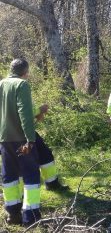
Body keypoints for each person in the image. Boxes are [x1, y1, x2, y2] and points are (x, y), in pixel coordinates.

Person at [0, 59, 41, 226]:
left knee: (9, 176)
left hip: (4, 138)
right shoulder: (22, 85)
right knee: (31, 175)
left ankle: (12, 214)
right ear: (26, 71)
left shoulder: (1, 83)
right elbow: (24, 112)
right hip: (20, 139)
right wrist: (30, 138)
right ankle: (30, 217)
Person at [33, 104, 68, 191]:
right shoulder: (14, 91)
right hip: (13, 133)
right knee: (21, 161)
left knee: (46, 155)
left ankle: (52, 184)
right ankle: (18, 197)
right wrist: (39, 110)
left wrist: (37, 113)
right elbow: (21, 113)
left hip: (24, 131)